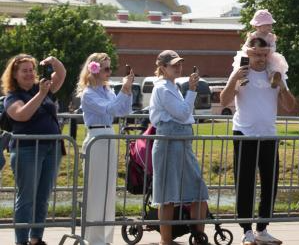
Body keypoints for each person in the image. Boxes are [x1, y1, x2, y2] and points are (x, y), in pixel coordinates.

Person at [219, 36, 296, 245]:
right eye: (256, 55)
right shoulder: (241, 72)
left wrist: (282, 86)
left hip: (268, 135)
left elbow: (290, 106)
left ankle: (262, 228)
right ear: (248, 53)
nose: (261, 59)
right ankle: (247, 231)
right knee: (245, 183)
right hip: (244, 134)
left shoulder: (275, 72)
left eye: (264, 54)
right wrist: (234, 79)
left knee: (270, 183)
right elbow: (224, 101)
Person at [2, 53, 66, 245]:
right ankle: (21, 241)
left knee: (43, 197)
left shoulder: (42, 87)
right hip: (27, 150)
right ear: (15, 75)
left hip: (51, 148)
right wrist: (41, 95)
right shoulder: (12, 97)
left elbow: (61, 75)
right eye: (24, 71)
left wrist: (53, 61)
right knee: (27, 198)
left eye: (31, 70)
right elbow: (22, 115)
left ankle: (36, 239)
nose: (29, 74)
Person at [148, 50, 209, 245]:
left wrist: (190, 90)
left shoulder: (172, 87)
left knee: (198, 190)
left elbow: (183, 114)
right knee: (167, 196)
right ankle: (166, 240)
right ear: (162, 67)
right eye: (173, 65)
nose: (178, 67)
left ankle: (198, 236)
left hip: (181, 142)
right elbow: (182, 113)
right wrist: (192, 90)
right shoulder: (163, 88)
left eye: (179, 64)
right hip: (169, 142)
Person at [79, 53, 135, 245]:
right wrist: (124, 90)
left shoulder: (107, 90)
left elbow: (123, 110)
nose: (109, 72)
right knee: (96, 188)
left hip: (108, 135)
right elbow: (109, 109)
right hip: (97, 136)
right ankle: (94, 238)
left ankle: (105, 237)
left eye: (110, 68)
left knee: (109, 188)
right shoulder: (88, 93)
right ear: (94, 69)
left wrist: (127, 90)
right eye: (106, 68)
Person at [232, 9, 289, 89]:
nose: (270, 27)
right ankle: (242, 78)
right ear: (258, 26)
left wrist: (268, 50)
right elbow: (245, 46)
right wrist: (249, 50)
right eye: (267, 25)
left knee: (271, 65)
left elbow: (273, 47)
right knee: (244, 59)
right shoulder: (253, 36)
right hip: (253, 54)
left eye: (271, 25)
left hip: (266, 55)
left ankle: (273, 78)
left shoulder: (270, 37)